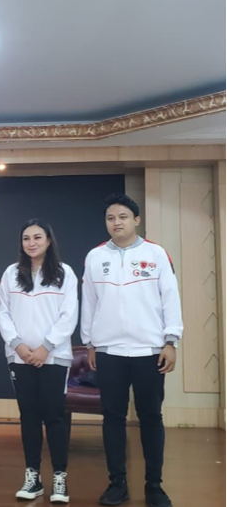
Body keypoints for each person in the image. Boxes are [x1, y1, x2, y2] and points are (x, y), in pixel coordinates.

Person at [81, 193, 182, 507]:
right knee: (112, 417)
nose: (117, 223)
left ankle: (154, 486)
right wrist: (90, 343)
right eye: (111, 218)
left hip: (149, 350)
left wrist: (171, 341)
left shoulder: (156, 254)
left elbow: (170, 299)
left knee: (151, 417)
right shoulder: (95, 257)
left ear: (136, 220)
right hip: (109, 350)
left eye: (123, 217)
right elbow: (89, 303)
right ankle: (117, 484)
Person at [0, 219, 78, 504]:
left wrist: (46, 347)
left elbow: (69, 315)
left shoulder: (64, 273)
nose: (31, 243)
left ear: (48, 240)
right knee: (29, 416)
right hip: (20, 357)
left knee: (54, 416)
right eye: (26, 238)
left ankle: (59, 477)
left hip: (54, 357)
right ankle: (33, 477)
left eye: (37, 237)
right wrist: (17, 345)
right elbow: (3, 312)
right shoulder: (11, 273)